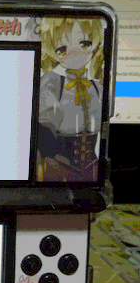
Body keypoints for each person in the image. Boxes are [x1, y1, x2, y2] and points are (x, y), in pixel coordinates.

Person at [37, 17, 104, 182]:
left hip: (92, 168)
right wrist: (48, 156)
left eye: (85, 44)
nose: (75, 53)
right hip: (58, 165)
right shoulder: (52, 82)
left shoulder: (96, 87)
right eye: (62, 49)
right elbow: (45, 126)